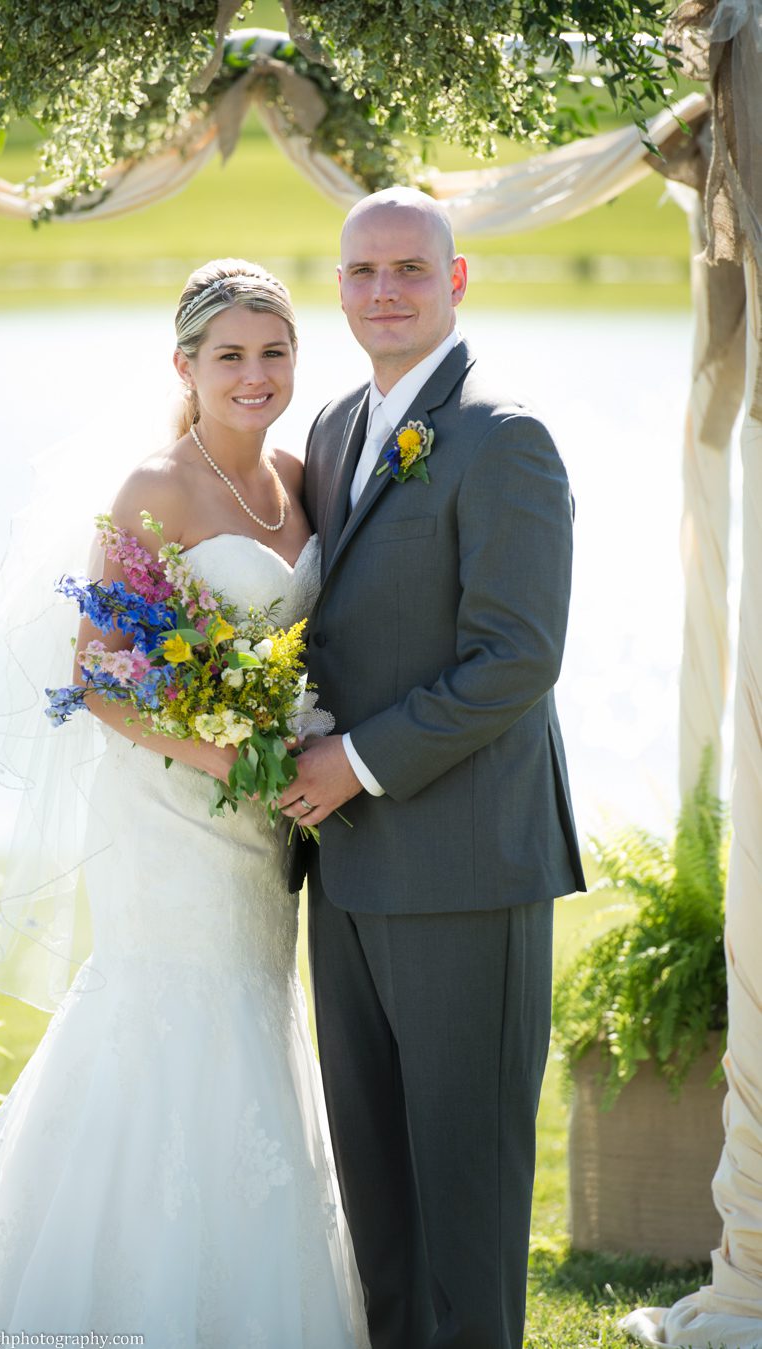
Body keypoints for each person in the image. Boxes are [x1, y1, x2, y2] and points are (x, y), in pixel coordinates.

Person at [0, 259, 368, 1348]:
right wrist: (230, 753)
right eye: (229, 355)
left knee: (255, 1009)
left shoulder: (298, 476)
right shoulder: (155, 488)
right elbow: (99, 675)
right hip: (170, 814)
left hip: (263, 820)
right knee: (166, 1015)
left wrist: (280, 747)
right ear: (184, 366)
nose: (255, 374)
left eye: (274, 352)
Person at [279, 189, 587, 1349]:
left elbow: (519, 656)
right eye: (362, 272)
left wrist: (356, 760)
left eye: (410, 268)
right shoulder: (332, 428)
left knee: (465, 1194)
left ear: (456, 282)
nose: (385, 291)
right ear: (340, 288)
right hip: (346, 872)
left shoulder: (505, 436)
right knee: (380, 1198)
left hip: (465, 866)